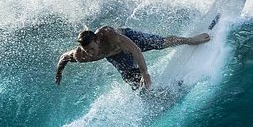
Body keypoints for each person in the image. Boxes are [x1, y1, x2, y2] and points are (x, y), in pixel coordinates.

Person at [54, 26, 211, 90]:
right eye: (87, 51)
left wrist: (145, 73)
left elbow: (135, 50)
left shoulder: (110, 35)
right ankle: (157, 94)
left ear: (97, 40)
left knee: (160, 43)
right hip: (116, 57)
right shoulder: (81, 55)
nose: (91, 53)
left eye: (92, 49)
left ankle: (190, 40)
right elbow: (64, 57)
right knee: (134, 82)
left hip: (130, 40)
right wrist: (59, 72)